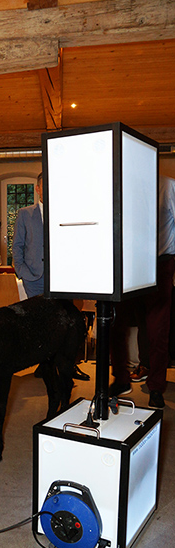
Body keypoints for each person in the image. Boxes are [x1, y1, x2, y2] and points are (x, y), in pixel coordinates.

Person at [12, 171, 89, 380]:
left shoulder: (67, 214)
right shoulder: (25, 214)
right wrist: (22, 272)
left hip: (62, 279)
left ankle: (68, 366)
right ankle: (44, 364)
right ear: (37, 189)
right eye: (43, 186)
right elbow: (17, 247)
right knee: (41, 324)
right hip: (34, 279)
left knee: (66, 323)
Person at [110, 174, 175, 408]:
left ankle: (156, 387)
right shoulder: (123, 184)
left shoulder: (168, 185)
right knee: (115, 323)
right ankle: (121, 378)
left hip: (160, 263)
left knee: (158, 331)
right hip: (129, 262)